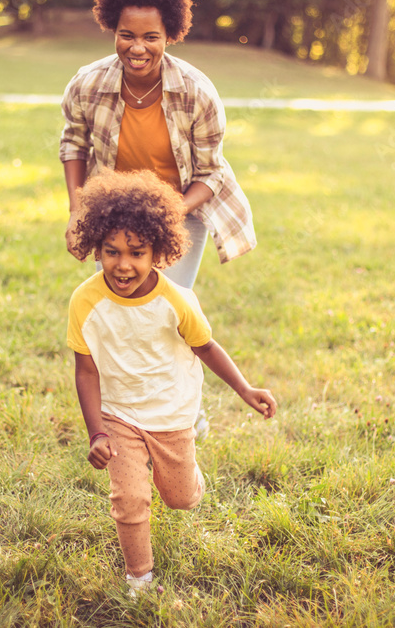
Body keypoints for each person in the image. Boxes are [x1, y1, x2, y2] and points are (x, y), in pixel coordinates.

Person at [66, 169, 277, 597]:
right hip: (119, 414)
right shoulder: (84, 302)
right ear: (97, 249)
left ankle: (190, 475)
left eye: (137, 252)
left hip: (171, 412)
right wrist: (97, 432)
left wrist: (245, 389)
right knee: (129, 498)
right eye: (112, 251)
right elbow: (85, 371)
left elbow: (206, 347)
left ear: (158, 252)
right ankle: (139, 578)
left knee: (181, 499)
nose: (123, 264)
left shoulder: (176, 300)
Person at [59, 0, 256, 291]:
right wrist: (77, 211)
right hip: (111, 213)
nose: (137, 48)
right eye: (126, 35)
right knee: (118, 302)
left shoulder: (197, 92)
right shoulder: (87, 84)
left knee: (165, 304)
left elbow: (211, 173)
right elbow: (74, 145)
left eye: (151, 37)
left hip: (180, 211)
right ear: (113, 29)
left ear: (169, 36)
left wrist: (166, 215)